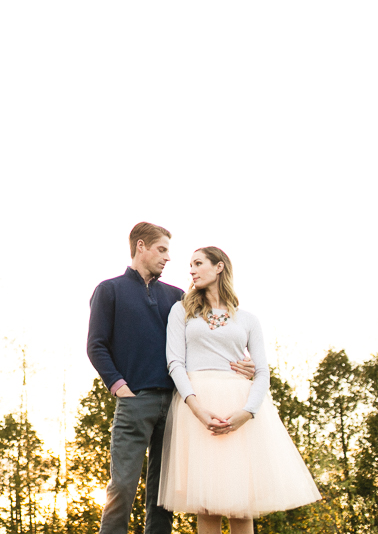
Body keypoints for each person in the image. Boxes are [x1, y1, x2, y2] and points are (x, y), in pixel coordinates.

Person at [88, 223, 253, 534]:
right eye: (162, 250)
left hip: (178, 404)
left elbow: (206, 340)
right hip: (135, 400)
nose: (168, 258)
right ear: (140, 247)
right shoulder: (109, 290)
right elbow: (96, 345)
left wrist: (247, 367)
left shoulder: (178, 297)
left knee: (163, 494)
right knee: (122, 485)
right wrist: (119, 386)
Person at [159, 247, 321, 534]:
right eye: (190, 265)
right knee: (207, 506)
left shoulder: (248, 319)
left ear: (219, 267)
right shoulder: (181, 310)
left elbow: (261, 372)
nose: (192, 270)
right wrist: (196, 409)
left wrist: (247, 412)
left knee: (241, 506)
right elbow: (175, 362)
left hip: (239, 405)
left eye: (198, 263)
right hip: (197, 406)